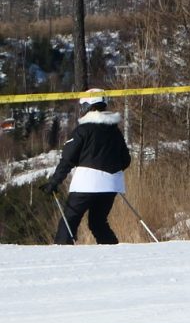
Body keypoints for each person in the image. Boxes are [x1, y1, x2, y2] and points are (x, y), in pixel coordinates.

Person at [47, 92, 132, 244]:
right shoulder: (115, 131)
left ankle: (62, 251)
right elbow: (126, 160)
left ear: (88, 106)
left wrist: (54, 182)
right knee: (98, 222)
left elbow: (68, 159)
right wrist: (110, 171)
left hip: (86, 183)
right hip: (111, 184)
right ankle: (113, 252)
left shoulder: (83, 130)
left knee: (70, 220)